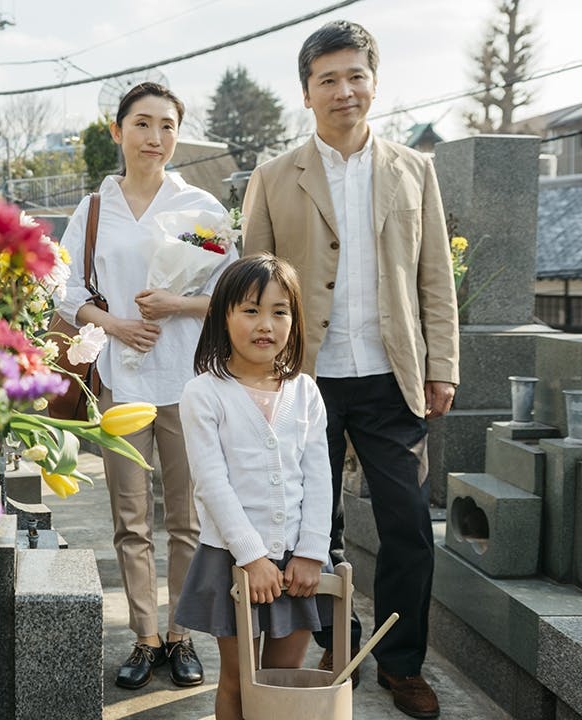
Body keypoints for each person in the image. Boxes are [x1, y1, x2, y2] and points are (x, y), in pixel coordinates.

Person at [242, 20, 460, 719]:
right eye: (327, 79)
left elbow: (435, 279)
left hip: (392, 376)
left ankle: (402, 664)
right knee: (315, 526)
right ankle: (341, 647)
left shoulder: (412, 169)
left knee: (407, 525)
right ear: (306, 92)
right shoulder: (274, 178)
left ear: (374, 82)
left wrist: (443, 366)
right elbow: (254, 289)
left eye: (355, 76)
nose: (344, 90)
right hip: (304, 378)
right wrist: (259, 377)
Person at [56, 81, 236, 690]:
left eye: (166, 125)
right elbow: (66, 291)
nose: (154, 137)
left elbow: (231, 297)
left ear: (177, 135)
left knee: (186, 520)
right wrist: (115, 324)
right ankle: (144, 636)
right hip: (120, 381)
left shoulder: (203, 208)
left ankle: (182, 635)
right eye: (141, 123)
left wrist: (176, 303)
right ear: (118, 131)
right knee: (130, 519)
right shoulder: (94, 209)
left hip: (189, 383)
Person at [176, 253, 332, 720]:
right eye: (250, 310)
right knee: (241, 683)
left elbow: (320, 476)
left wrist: (312, 552)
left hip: (299, 564)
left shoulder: (304, 391)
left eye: (279, 311)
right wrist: (251, 556)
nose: (266, 324)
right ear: (223, 316)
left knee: (286, 685)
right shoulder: (204, 393)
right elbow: (211, 483)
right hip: (235, 560)